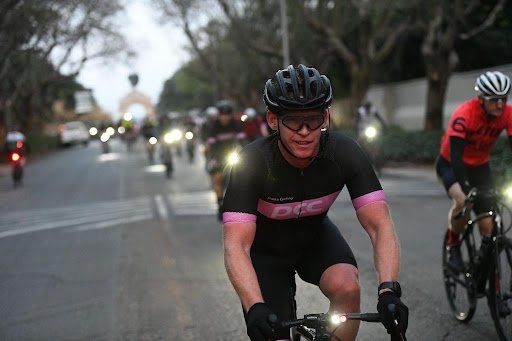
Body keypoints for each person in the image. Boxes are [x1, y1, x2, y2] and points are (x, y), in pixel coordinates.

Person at [222, 64, 408, 341]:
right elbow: (236, 245)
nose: (306, 131)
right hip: (264, 253)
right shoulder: (253, 162)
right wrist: (255, 307)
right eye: (294, 121)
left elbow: (380, 225)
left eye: (314, 118)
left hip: (314, 238)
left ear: (326, 116)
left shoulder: (344, 153)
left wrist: (388, 290)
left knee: (348, 289)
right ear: (273, 120)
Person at [436, 71, 512, 279]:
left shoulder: (507, 113)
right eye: (494, 99)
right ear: (481, 99)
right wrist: (466, 187)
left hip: (480, 166)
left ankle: (483, 262)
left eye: (504, 98)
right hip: (451, 164)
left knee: (487, 223)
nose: (500, 104)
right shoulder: (464, 114)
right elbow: (456, 157)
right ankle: (455, 247)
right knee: (463, 201)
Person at [205, 100, 246, 221]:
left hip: (233, 154)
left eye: (227, 114)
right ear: (218, 115)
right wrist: (212, 159)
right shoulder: (213, 126)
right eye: (222, 114)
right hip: (218, 156)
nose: (225, 117)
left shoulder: (237, 124)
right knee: (217, 178)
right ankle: (219, 204)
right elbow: (211, 146)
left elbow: (243, 141)